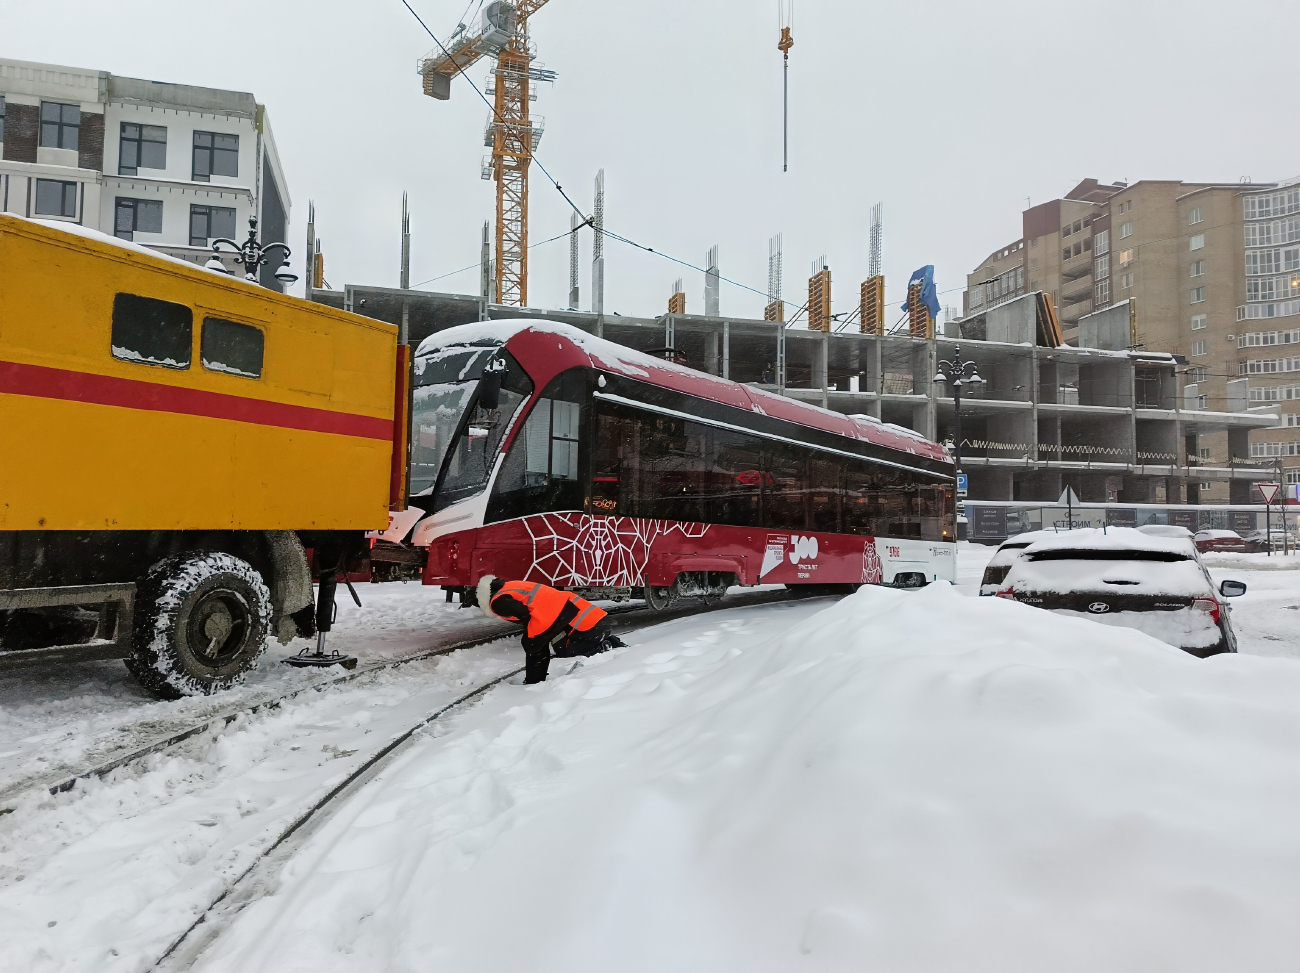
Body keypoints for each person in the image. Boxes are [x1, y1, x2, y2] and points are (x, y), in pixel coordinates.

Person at [477, 576, 625, 684]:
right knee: (554, 645)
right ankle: (606, 641)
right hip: (595, 621)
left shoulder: (498, 602)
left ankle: (601, 647)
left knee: (542, 647)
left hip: (588, 625)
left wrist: (532, 636)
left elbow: (526, 614)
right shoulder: (510, 586)